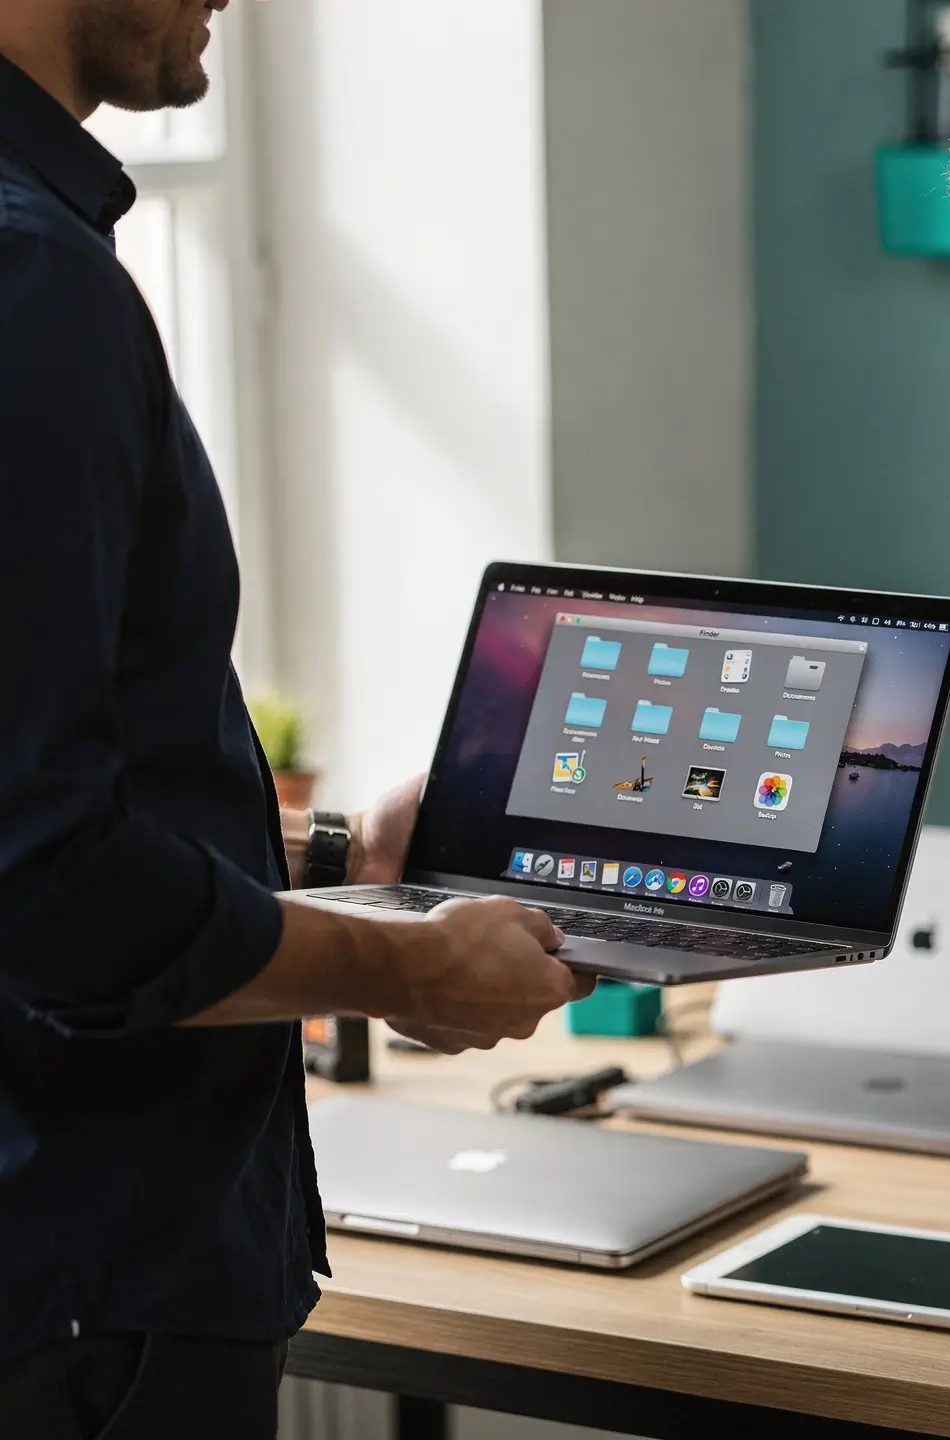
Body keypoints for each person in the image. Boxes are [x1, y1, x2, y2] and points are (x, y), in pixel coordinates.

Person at [0, 1, 593, 1434]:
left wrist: (330, 866)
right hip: (84, 1288)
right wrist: (402, 973)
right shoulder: (31, 276)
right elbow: (38, 878)